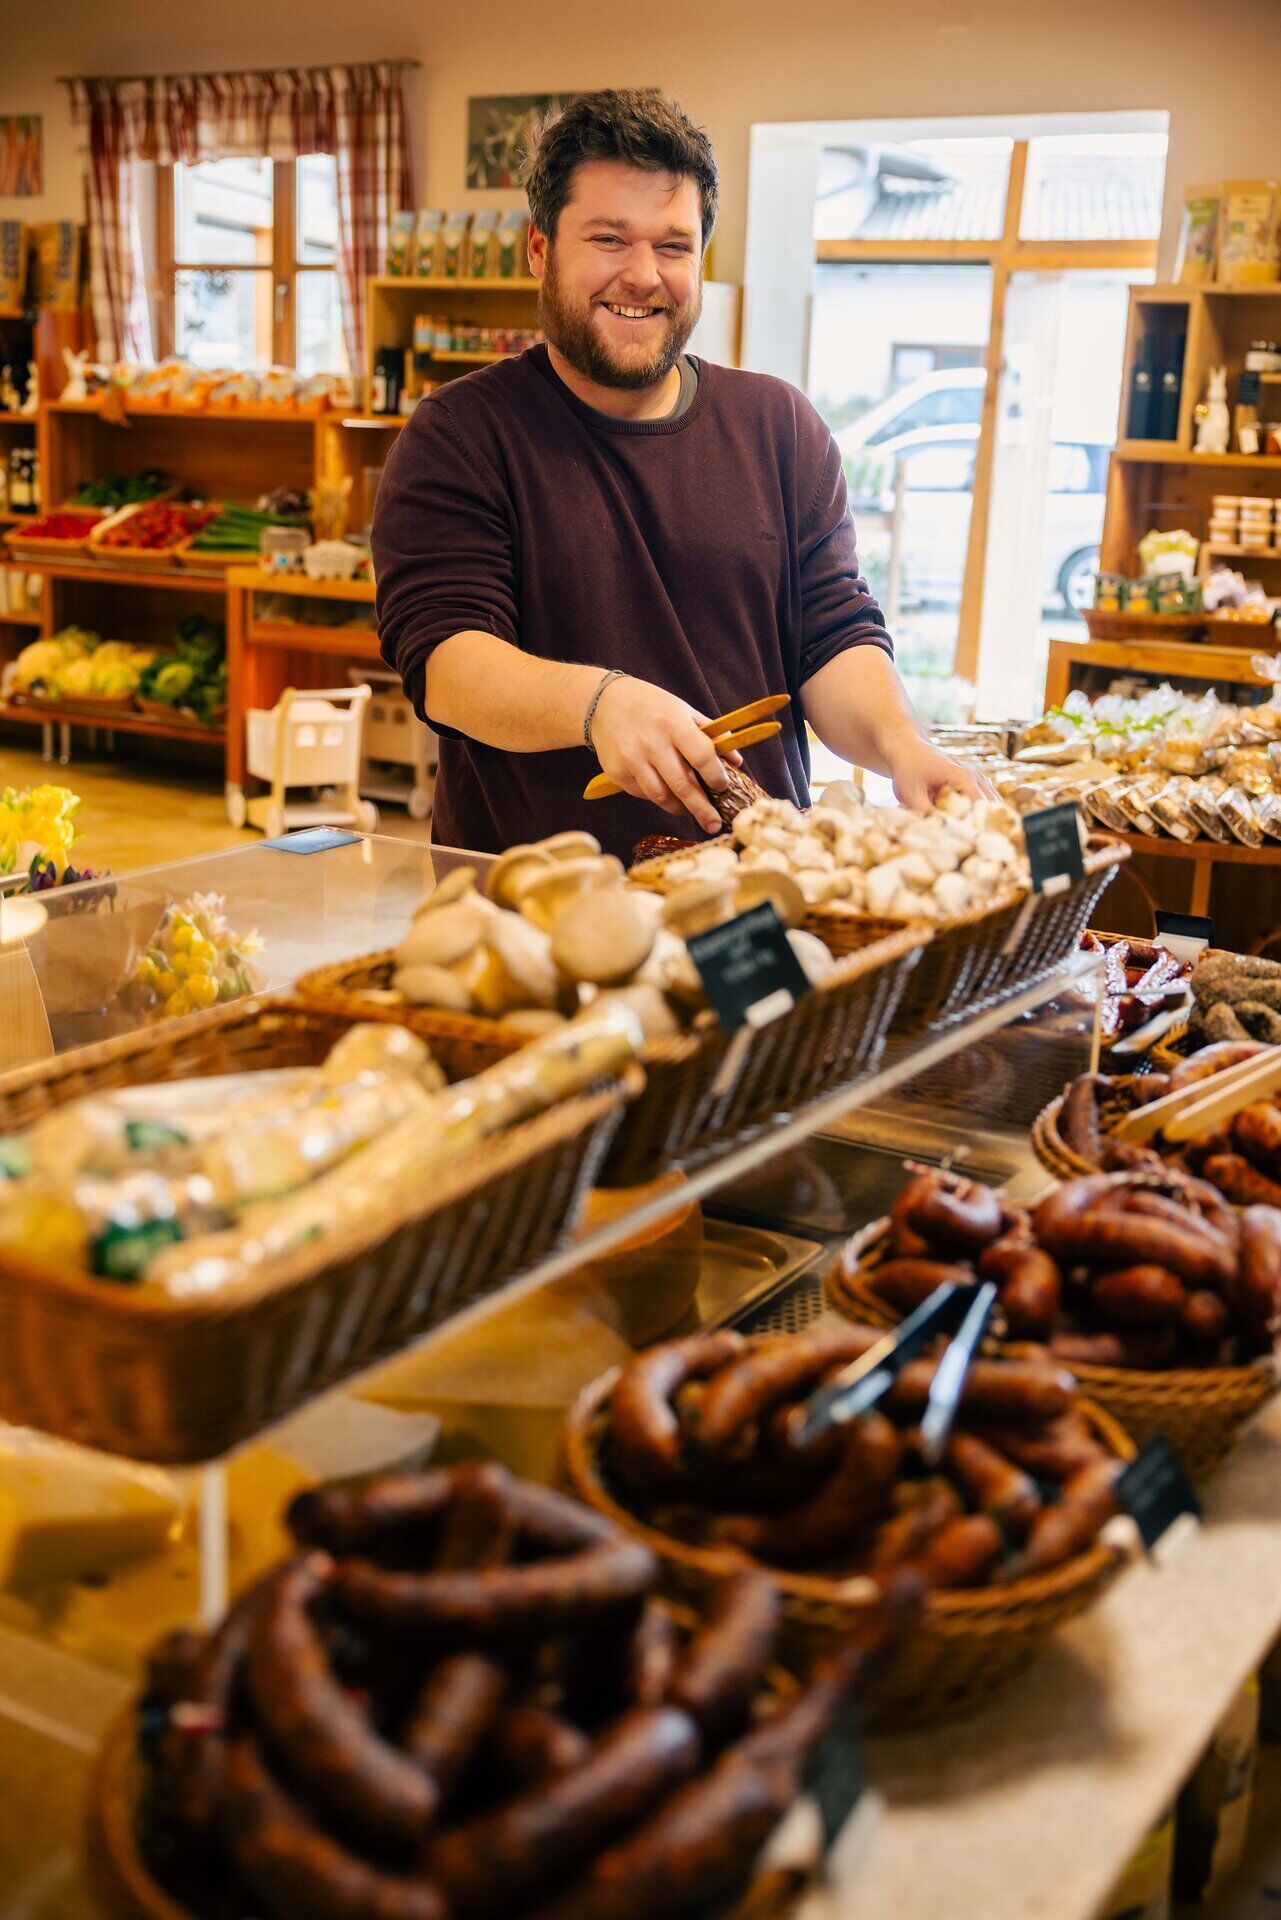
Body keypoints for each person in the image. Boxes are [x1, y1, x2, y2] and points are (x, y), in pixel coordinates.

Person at [374, 88, 982, 859]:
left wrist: (903, 747)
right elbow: (449, 662)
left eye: (672, 246)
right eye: (607, 240)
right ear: (538, 250)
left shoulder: (779, 427)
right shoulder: (461, 435)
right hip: (535, 915)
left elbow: (831, 639)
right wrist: (600, 705)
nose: (641, 275)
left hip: (759, 905)